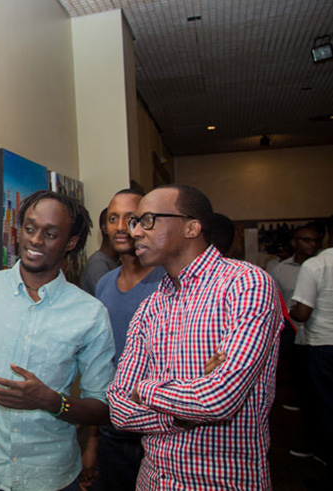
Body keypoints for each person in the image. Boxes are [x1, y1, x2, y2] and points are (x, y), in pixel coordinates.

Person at [0, 190, 115, 491]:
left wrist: (50, 401)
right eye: (29, 228)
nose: (35, 241)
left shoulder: (90, 314)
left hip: (51, 476)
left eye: (50, 234)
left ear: (71, 242)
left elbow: (102, 408)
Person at [107, 185, 282, 490]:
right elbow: (119, 410)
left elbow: (218, 400)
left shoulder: (246, 285)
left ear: (191, 227)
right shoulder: (150, 306)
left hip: (222, 482)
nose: (134, 232)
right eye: (135, 223)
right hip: (153, 481)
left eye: (146, 220)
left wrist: (145, 389)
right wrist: (176, 419)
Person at [80, 189, 166, 491]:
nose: (120, 227)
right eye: (113, 218)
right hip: (112, 431)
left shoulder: (167, 283)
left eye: (130, 219)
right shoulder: (104, 283)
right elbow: (100, 368)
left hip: (159, 432)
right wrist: (92, 440)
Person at [291, 243, 333, 487]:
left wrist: (291, 310)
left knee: (326, 407)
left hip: (324, 346)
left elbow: (303, 313)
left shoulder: (317, 265)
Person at [270, 225, 323, 413]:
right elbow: (273, 301)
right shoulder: (279, 269)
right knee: (297, 374)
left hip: (317, 333)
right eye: (306, 240)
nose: (312, 245)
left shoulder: (323, 266)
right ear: (294, 243)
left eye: (316, 240)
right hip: (290, 331)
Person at [81, 207, 119, 294]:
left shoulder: (116, 261)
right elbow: (109, 301)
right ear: (105, 228)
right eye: (113, 220)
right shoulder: (98, 264)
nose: (121, 227)